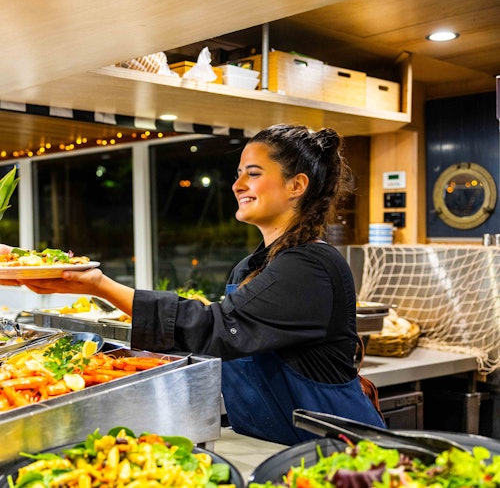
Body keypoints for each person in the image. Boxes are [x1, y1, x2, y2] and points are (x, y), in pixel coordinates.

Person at [0, 124, 385, 445]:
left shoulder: (310, 266)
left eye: (253, 173)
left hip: (336, 457)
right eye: (238, 173)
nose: (237, 185)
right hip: (271, 444)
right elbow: (216, 330)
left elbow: (213, 328)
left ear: (296, 185)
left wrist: (98, 286)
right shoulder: (253, 266)